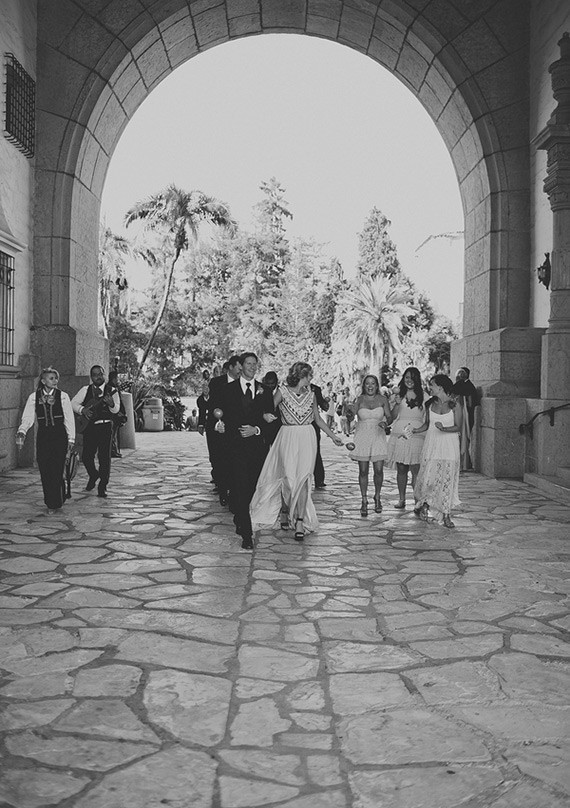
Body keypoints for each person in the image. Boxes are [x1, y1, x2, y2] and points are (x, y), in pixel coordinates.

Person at [251, 361, 343, 542]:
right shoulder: (282, 392)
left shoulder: (311, 394)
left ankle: (300, 521)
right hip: (288, 436)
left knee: (303, 478)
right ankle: (285, 510)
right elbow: (268, 409)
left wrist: (333, 436)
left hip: (307, 437)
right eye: (309, 375)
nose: (311, 379)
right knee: (288, 477)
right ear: (301, 375)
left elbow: (318, 419)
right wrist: (264, 416)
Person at [215, 352, 273, 549]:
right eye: (249, 363)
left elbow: (272, 421)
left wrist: (256, 430)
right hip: (235, 447)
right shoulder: (227, 390)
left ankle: (240, 516)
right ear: (241, 366)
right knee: (239, 486)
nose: (252, 367)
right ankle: (247, 535)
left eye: (255, 364)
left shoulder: (265, 391)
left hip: (257, 448)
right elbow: (218, 414)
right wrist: (218, 425)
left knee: (251, 488)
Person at [16, 367, 76, 514]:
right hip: (43, 436)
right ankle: (53, 498)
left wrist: (71, 439)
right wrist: (22, 431)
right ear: (43, 381)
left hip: (59, 436)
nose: (55, 381)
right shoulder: (33, 397)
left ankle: (53, 503)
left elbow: (69, 418)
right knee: (45, 468)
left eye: (56, 378)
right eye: (51, 378)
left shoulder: (63, 396)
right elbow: (28, 417)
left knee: (57, 468)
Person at [413, 374, 462, 528]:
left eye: (432, 385)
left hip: (449, 446)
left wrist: (444, 428)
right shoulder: (429, 404)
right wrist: (415, 430)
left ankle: (446, 515)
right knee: (429, 478)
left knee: (447, 481)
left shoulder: (455, 405)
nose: (430, 388)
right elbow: (427, 424)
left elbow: (458, 426)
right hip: (432, 445)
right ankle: (425, 505)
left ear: (440, 387)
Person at [71, 365, 120, 498]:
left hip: (105, 427)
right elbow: (73, 403)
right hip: (90, 427)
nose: (98, 377)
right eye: (95, 374)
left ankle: (102, 486)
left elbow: (116, 409)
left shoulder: (112, 391)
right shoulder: (85, 390)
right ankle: (93, 475)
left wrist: (111, 404)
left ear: (104, 375)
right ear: (91, 377)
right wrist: (82, 410)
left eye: (100, 374)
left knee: (104, 458)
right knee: (87, 456)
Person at [348, 375, 391, 516]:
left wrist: (385, 423)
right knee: (363, 470)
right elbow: (351, 415)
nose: (370, 386)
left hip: (378, 435)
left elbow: (389, 417)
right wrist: (349, 412)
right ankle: (364, 500)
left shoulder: (383, 399)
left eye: (373, 383)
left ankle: (377, 496)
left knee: (378, 469)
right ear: (364, 386)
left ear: (377, 385)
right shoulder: (359, 400)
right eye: (367, 384)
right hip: (362, 435)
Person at [386, 367, 427, 510]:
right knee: (401, 468)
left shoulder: (424, 396)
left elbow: (427, 417)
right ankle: (401, 499)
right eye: (407, 377)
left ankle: (417, 501)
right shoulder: (398, 395)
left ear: (417, 379)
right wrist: (397, 403)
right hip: (400, 433)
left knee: (416, 468)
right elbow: (392, 417)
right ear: (403, 378)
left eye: (413, 378)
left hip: (417, 434)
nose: (409, 380)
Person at [207, 355, 242, 505]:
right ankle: (223, 490)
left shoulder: (244, 383)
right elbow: (211, 404)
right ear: (231, 367)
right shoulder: (216, 383)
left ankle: (234, 491)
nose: (241, 371)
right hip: (218, 428)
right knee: (220, 460)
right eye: (239, 368)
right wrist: (217, 422)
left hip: (236, 430)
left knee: (235, 461)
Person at [453, 366, 479, 471]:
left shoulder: (466, 386)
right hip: (464, 414)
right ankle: (464, 462)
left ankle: (464, 463)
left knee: (463, 438)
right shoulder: (466, 385)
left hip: (465, 415)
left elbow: (470, 403)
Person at [311, 380, 329, 489]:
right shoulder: (291, 388)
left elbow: (323, 406)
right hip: (295, 428)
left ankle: (319, 479)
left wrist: (325, 403)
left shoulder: (315, 389)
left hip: (313, 424)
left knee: (316, 451)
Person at [108, 369, 126, 458]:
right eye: (116, 378)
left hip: (116, 412)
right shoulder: (109, 388)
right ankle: (112, 451)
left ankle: (115, 450)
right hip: (113, 414)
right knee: (112, 433)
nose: (118, 380)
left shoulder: (114, 387)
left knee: (114, 433)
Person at [261, 371, 281, 447]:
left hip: (279, 426)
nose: (270, 386)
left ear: (276, 382)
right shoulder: (261, 391)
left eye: (272, 383)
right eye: (268, 383)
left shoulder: (282, 391)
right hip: (265, 426)